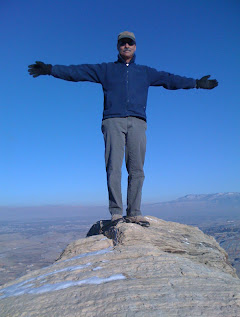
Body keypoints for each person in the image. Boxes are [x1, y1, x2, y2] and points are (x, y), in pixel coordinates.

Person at [28, 31, 218, 227]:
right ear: (118, 47)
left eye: (130, 43)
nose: (126, 46)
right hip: (113, 121)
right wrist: (50, 69)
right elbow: (78, 72)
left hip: (137, 121)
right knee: (113, 167)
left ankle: (134, 212)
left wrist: (195, 83)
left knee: (137, 168)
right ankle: (117, 213)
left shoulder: (145, 72)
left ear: (135, 47)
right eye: (122, 43)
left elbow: (169, 79)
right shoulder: (106, 70)